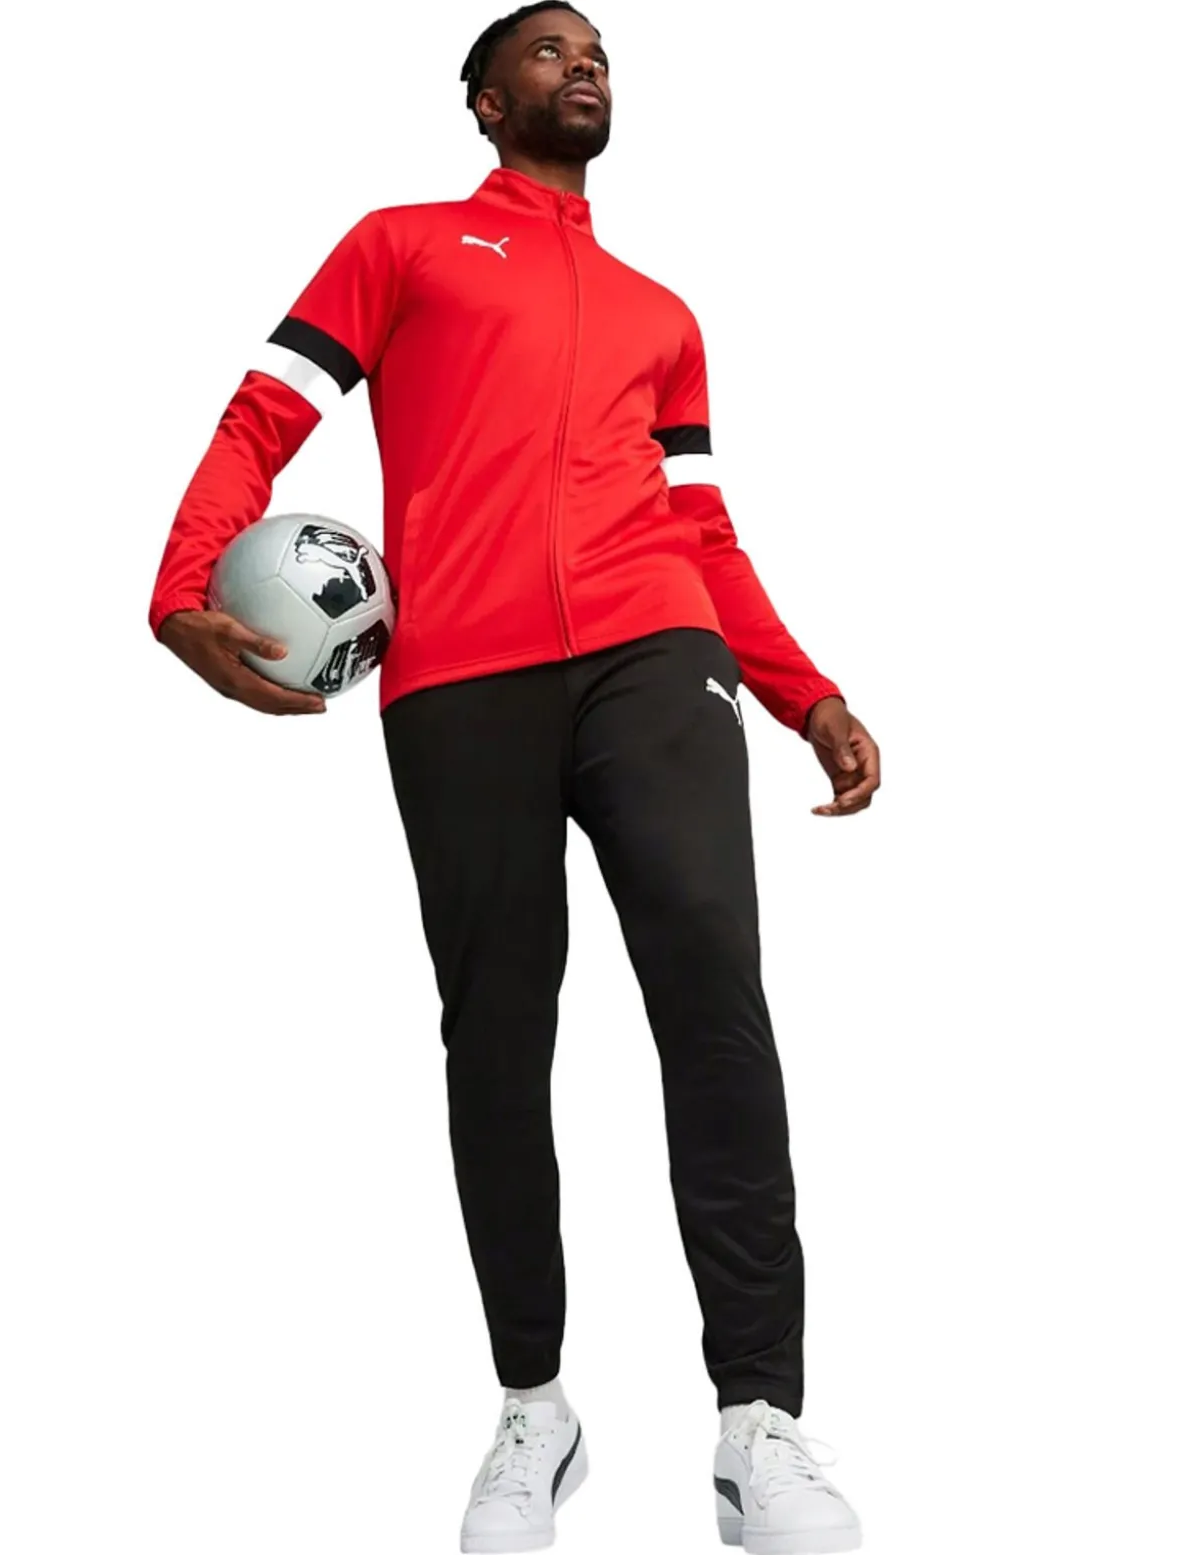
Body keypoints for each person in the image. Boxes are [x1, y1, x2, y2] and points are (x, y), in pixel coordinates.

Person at [148, 5, 881, 1550]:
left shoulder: (663, 315)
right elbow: (266, 416)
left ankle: (759, 1422)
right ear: (486, 101)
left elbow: (704, 527)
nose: (582, 62)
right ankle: (535, 1409)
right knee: (496, 1026)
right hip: (457, 672)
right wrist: (178, 587)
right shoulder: (400, 246)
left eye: (596, 49)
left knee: (713, 980)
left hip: (653, 645)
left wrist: (803, 691)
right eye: (547, 51)